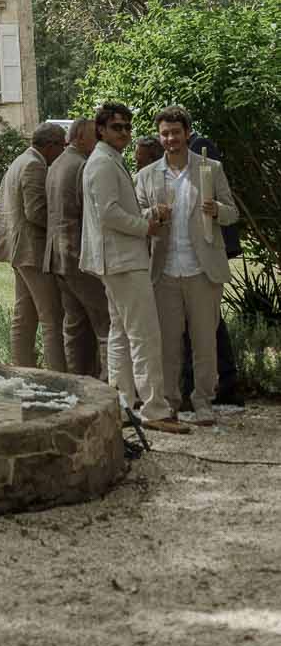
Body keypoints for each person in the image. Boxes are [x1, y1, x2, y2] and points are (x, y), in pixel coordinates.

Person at [80, 101, 182, 433]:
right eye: (116, 127)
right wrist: (146, 227)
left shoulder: (109, 159)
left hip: (117, 259)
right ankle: (154, 409)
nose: (124, 132)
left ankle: (122, 407)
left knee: (122, 335)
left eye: (127, 127)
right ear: (101, 129)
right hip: (122, 260)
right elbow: (109, 214)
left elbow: (114, 211)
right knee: (144, 334)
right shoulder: (102, 163)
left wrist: (149, 214)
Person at [136, 106, 239, 425]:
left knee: (205, 342)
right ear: (159, 136)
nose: (170, 139)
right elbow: (137, 216)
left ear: (187, 134)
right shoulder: (146, 175)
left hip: (202, 270)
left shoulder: (212, 169)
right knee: (168, 344)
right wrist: (153, 213)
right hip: (164, 270)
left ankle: (203, 401)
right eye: (164, 134)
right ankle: (169, 401)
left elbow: (232, 213)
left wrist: (217, 209)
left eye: (175, 133)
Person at [0, 121, 68, 370]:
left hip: (18, 248)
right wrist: (62, 227)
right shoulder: (35, 165)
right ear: (51, 145)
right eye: (63, 146)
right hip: (32, 250)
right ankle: (57, 375)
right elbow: (35, 212)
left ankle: (22, 369)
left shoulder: (20, 160)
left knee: (24, 315)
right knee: (51, 318)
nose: (64, 152)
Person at [43, 118, 109, 376]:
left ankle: (78, 381)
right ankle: (108, 383)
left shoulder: (55, 164)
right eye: (95, 135)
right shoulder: (82, 165)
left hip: (57, 256)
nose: (99, 140)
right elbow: (90, 213)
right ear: (80, 137)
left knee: (75, 326)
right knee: (105, 322)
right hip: (78, 256)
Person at [188, 127, 243, 406]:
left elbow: (216, 200)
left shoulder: (201, 147)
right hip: (192, 255)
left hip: (209, 248)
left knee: (210, 322)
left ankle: (225, 381)